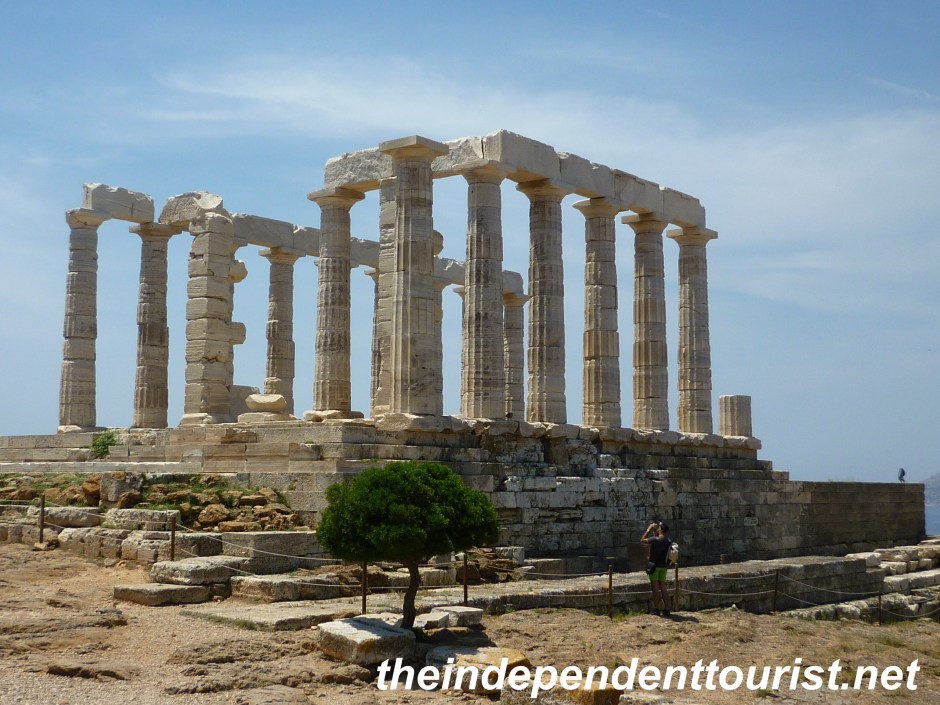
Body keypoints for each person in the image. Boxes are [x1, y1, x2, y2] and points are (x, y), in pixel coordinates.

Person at [641, 521, 672, 617]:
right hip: (663, 567)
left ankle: (656, 609)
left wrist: (649, 529)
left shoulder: (655, 540)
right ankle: (667, 609)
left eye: (658, 527)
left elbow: (642, 540)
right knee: (663, 588)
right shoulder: (668, 540)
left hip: (654, 566)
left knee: (655, 588)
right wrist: (655, 532)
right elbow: (657, 540)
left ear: (661, 530)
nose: (657, 528)